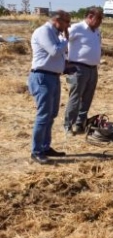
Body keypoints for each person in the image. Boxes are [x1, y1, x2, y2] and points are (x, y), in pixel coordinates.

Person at [28, 10, 73, 164]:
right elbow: (54, 51)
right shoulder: (43, 31)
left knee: (51, 114)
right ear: (57, 20)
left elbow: (57, 55)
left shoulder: (55, 33)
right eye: (67, 22)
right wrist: (66, 40)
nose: (69, 25)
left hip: (53, 77)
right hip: (42, 77)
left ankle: (45, 147)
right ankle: (36, 151)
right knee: (43, 115)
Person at [64, 7, 103, 134]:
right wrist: (65, 61)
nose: (100, 22)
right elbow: (62, 42)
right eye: (99, 19)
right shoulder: (76, 28)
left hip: (93, 69)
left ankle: (80, 124)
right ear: (90, 17)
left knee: (87, 98)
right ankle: (68, 125)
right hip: (78, 68)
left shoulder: (96, 31)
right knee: (75, 98)